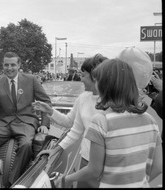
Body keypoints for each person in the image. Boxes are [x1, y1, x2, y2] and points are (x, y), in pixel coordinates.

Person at [56, 59, 162, 188]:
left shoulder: (101, 121)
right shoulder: (150, 121)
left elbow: (93, 171)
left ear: (103, 84)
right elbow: (157, 166)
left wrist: (65, 180)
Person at [33, 54, 108, 188]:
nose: (82, 79)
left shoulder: (114, 103)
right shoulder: (83, 98)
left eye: (84, 75)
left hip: (109, 165)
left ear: (95, 76)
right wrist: (49, 111)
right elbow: (72, 126)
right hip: (86, 162)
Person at [0, 52, 52, 186]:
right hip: (4, 123)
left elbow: (46, 102)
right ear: (2, 65)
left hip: (26, 121)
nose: (9, 68)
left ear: (19, 65)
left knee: (26, 144)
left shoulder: (31, 80)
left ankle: (12, 182)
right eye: (6, 65)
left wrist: (44, 124)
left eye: (13, 65)